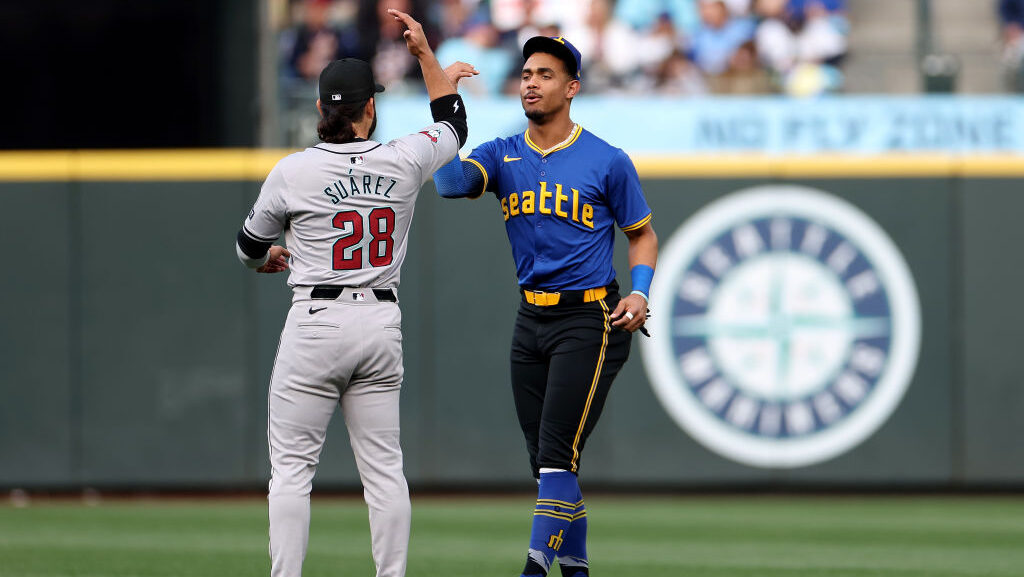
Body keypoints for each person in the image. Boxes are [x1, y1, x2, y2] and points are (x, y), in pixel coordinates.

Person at [235, 9, 476, 577]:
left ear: (321, 109)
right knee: (385, 471)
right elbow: (454, 122)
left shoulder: (293, 171)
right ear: (372, 107)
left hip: (315, 321)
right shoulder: (404, 157)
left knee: (292, 471)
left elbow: (248, 243)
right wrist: (425, 55)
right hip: (379, 324)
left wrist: (265, 258)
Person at [432, 35, 658, 577]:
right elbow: (447, 182)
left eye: (546, 74)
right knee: (548, 466)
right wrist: (440, 95)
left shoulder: (606, 159)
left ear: (572, 87)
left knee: (556, 455)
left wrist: (640, 291)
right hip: (530, 319)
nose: (531, 82)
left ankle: (533, 570)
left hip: (592, 319)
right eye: (527, 73)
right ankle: (576, 570)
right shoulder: (502, 152)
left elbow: (642, 235)